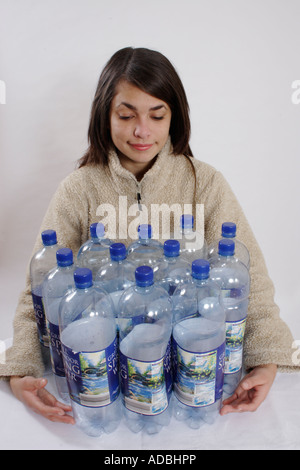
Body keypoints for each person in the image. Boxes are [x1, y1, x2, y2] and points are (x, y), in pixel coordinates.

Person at [1, 47, 298, 425]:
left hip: (192, 379)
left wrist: (265, 358)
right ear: (104, 115)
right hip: (105, 385)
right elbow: (39, 290)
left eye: (157, 115)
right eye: (126, 115)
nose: (142, 130)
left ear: (174, 117)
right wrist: (22, 367)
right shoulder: (80, 189)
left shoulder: (203, 183)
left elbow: (248, 282)